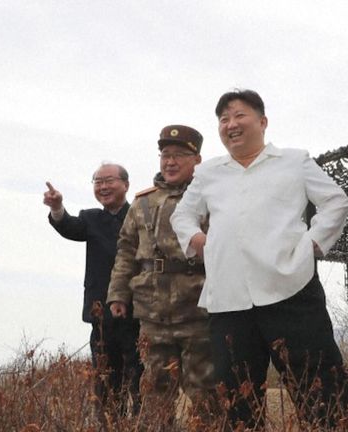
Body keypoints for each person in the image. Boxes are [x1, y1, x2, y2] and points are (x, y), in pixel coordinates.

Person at [171, 89, 348, 429]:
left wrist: (311, 244)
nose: (231, 124)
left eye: (239, 115)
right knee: (237, 397)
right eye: (223, 119)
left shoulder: (294, 161)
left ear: (262, 121)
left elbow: (336, 202)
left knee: (320, 389)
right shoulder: (209, 173)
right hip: (229, 299)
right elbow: (182, 217)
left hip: (290, 289)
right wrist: (198, 240)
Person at [106, 125, 215, 426]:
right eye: (165, 155)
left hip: (198, 314)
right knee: (155, 396)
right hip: (153, 316)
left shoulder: (211, 197)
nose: (170, 161)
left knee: (208, 397)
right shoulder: (142, 203)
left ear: (197, 159)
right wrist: (117, 294)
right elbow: (126, 251)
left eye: (179, 155)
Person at [43, 163, 144, 420]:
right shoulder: (91, 218)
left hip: (139, 316)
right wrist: (56, 207)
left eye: (109, 181)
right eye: (97, 182)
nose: (103, 187)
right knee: (106, 386)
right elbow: (69, 226)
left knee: (140, 384)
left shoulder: (142, 216)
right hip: (101, 319)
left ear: (126, 185)